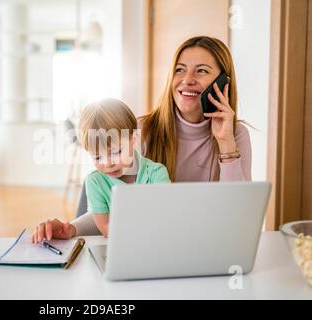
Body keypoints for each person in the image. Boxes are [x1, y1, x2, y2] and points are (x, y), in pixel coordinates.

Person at [33, 35, 252, 240]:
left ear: (223, 82)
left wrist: (225, 143)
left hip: (208, 245)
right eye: (180, 70)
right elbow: (114, 210)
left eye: (201, 71)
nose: (187, 80)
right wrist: (71, 228)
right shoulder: (142, 130)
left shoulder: (235, 136)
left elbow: (239, 216)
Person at [32, 98, 170, 242]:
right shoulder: (95, 182)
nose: (108, 163)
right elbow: (106, 228)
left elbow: (165, 219)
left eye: (116, 152)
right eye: (98, 157)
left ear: (134, 138)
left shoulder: (156, 174)